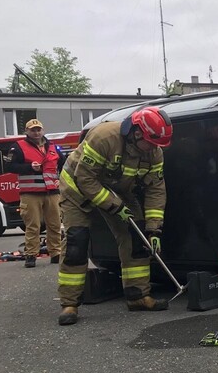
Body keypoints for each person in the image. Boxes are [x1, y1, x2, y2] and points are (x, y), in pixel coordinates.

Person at [56, 106, 172, 326]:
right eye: (152, 142)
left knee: (136, 238)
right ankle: (69, 303)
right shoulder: (104, 136)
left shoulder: (154, 152)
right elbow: (85, 179)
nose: (155, 148)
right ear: (136, 133)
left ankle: (138, 296)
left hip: (118, 190)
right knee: (76, 242)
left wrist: (154, 229)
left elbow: (156, 190)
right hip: (77, 188)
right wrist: (114, 206)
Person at [4, 119, 64, 268]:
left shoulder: (53, 147)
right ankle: (31, 255)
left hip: (52, 192)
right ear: (27, 132)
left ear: (43, 131)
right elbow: (9, 166)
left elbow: (64, 164)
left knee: (55, 224)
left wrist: (61, 179)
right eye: (33, 130)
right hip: (30, 193)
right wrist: (29, 167)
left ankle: (56, 253)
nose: (36, 132)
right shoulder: (17, 147)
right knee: (33, 226)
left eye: (38, 130)